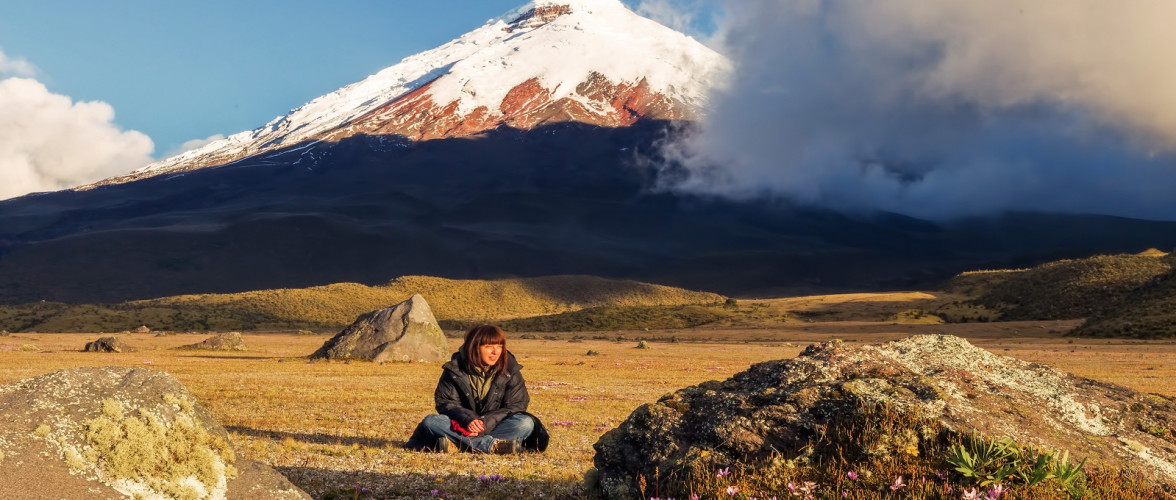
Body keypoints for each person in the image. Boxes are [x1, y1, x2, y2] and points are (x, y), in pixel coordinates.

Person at [405, 324, 548, 454]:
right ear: (474, 347)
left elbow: (516, 405)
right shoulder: (454, 369)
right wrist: (468, 419)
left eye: (499, 346)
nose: (495, 352)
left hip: (497, 425)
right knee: (432, 421)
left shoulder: (511, 369)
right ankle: (490, 446)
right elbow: (445, 402)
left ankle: (459, 444)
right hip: (462, 426)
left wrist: (485, 423)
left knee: (525, 424)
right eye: (488, 346)